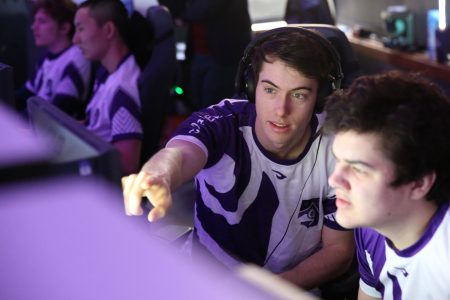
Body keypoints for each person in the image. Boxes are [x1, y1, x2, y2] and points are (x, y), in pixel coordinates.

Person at [123, 27, 355, 292]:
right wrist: (159, 175)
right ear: (251, 87)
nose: (281, 110)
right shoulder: (220, 123)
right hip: (202, 280)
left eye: (299, 94)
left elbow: (339, 250)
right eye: (270, 90)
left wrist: (268, 291)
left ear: (320, 99)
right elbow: (179, 155)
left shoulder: (340, 150)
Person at [324, 71, 450, 299]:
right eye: (338, 160)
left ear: (418, 183)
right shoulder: (371, 225)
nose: (334, 180)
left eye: (358, 169)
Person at [73, 0, 143, 175]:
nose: (75, 40)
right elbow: (97, 124)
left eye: (81, 29)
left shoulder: (122, 90)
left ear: (109, 30)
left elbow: (127, 163)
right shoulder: (106, 73)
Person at [160, 0, 252, 110]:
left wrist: (183, 17)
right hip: (199, 53)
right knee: (197, 99)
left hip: (224, 55)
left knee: (213, 103)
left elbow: (206, 8)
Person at [16, 0, 91, 118]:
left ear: (64, 28)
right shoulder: (45, 59)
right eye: (35, 21)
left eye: (42, 21)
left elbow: (57, 113)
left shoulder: (76, 59)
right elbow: (22, 96)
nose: (33, 27)